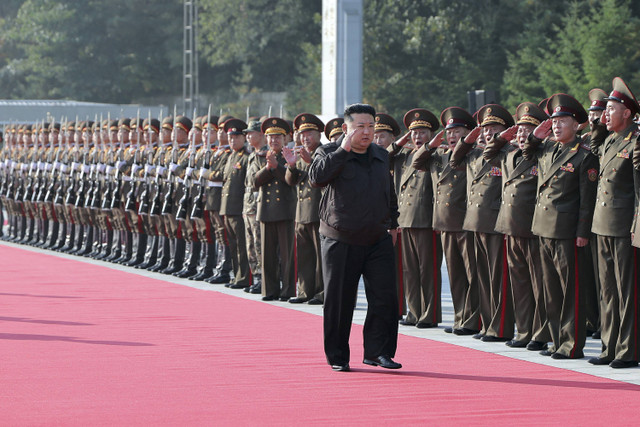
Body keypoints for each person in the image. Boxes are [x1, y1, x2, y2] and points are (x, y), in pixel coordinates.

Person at [309, 103, 401, 372]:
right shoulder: (328, 152)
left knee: (385, 298)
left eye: (371, 126)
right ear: (345, 128)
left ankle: (379, 352)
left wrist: (393, 223)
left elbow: (389, 192)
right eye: (360, 126)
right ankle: (338, 355)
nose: (366, 131)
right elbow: (317, 178)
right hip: (340, 238)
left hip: (377, 237)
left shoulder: (381, 155)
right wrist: (342, 150)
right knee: (339, 300)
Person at [523, 93, 598, 360]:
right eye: (553, 121)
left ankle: (571, 344)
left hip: (567, 231)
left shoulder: (584, 156)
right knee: (551, 290)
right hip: (543, 228)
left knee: (570, 290)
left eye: (562, 121)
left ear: (576, 125)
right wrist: (536, 135)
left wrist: (582, 233)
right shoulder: (548, 148)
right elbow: (526, 153)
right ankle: (556, 341)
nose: (555, 126)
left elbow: (586, 201)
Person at [482, 102, 551, 351]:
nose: (522, 136)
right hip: (510, 227)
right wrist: (502, 137)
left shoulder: (541, 154)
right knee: (520, 284)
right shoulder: (508, 155)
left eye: (527, 131)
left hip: (531, 229)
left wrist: (534, 139)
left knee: (538, 284)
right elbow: (488, 154)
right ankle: (523, 330)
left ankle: (541, 332)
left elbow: (534, 149)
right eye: (519, 131)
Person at [412, 107, 480, 335]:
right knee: (455, 276)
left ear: (468, 134)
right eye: (449, 132)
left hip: (464, 223)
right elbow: (416, 162)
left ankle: (473, 319)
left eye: (457, 131)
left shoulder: (472, 156)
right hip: (444, 224)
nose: (451, 136)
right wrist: (431, 144)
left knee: (472, 275)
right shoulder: (438, 158)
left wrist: (466, 144)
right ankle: (460, 317)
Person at [451, 104, 515, 342]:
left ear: (505, 131)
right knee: (483, 279)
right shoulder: (475, 153)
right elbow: (455, 160)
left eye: (494, 129)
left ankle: (500, 328)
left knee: (498, 280)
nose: (488, 134)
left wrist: (499, 140)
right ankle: (487, 325)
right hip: (475, 223)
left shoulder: (508, 152)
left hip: (495, 223)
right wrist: (468, 139)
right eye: (485, 129)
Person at [590, 77, 640, 369]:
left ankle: (628, 349)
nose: (605, 114)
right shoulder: (609, 139)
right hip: (602, 224)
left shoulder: (635, 141)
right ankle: (609, 346)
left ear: (627, 113)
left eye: (611, 109)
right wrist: (599, 126)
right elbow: (593, 144)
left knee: (626, 290)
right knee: (607, 291)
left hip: (624, 226)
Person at [389, 108, 443, 328]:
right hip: (405, 220)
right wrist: (400, 142)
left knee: (427, 270)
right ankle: (414, 311)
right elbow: (384, 156)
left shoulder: (436, 156)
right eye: (414, 132)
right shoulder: (403, 156)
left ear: (431, 134)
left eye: (422, 132)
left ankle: (429, 314)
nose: (418, 137)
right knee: (409, 270)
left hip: (426, 221)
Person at [283, 113, 325, 305]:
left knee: (320, 256)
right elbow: (290, 181)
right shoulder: (300, 154)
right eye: (302, 134)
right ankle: (304, 290)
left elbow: (323, 177)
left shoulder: (324, 152)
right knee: (304, 254)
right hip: (301, 211)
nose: (305, 138)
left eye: (309, 133)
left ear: (318, 134)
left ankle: (321, 292)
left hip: (317, 211)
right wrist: (292, 165)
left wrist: (309, 162)